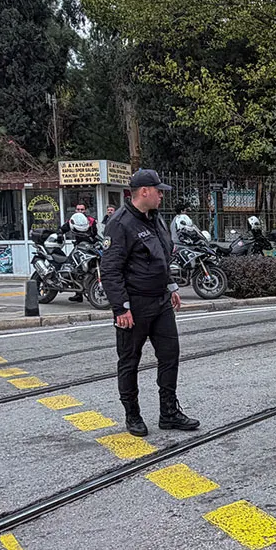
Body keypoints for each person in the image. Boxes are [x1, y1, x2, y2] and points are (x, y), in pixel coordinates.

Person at [101, 169, 200, 437]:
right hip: (135, 305)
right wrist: (120, 307)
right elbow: (110, 269)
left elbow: (161, 256)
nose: (161, 196)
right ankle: (132, 414)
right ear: (144, 192)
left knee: (170, 355)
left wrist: (170, 287)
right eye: (158, 191)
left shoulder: (155, 219)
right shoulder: (120, 224)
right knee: (129, 360)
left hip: (161, 302)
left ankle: (168, 412)